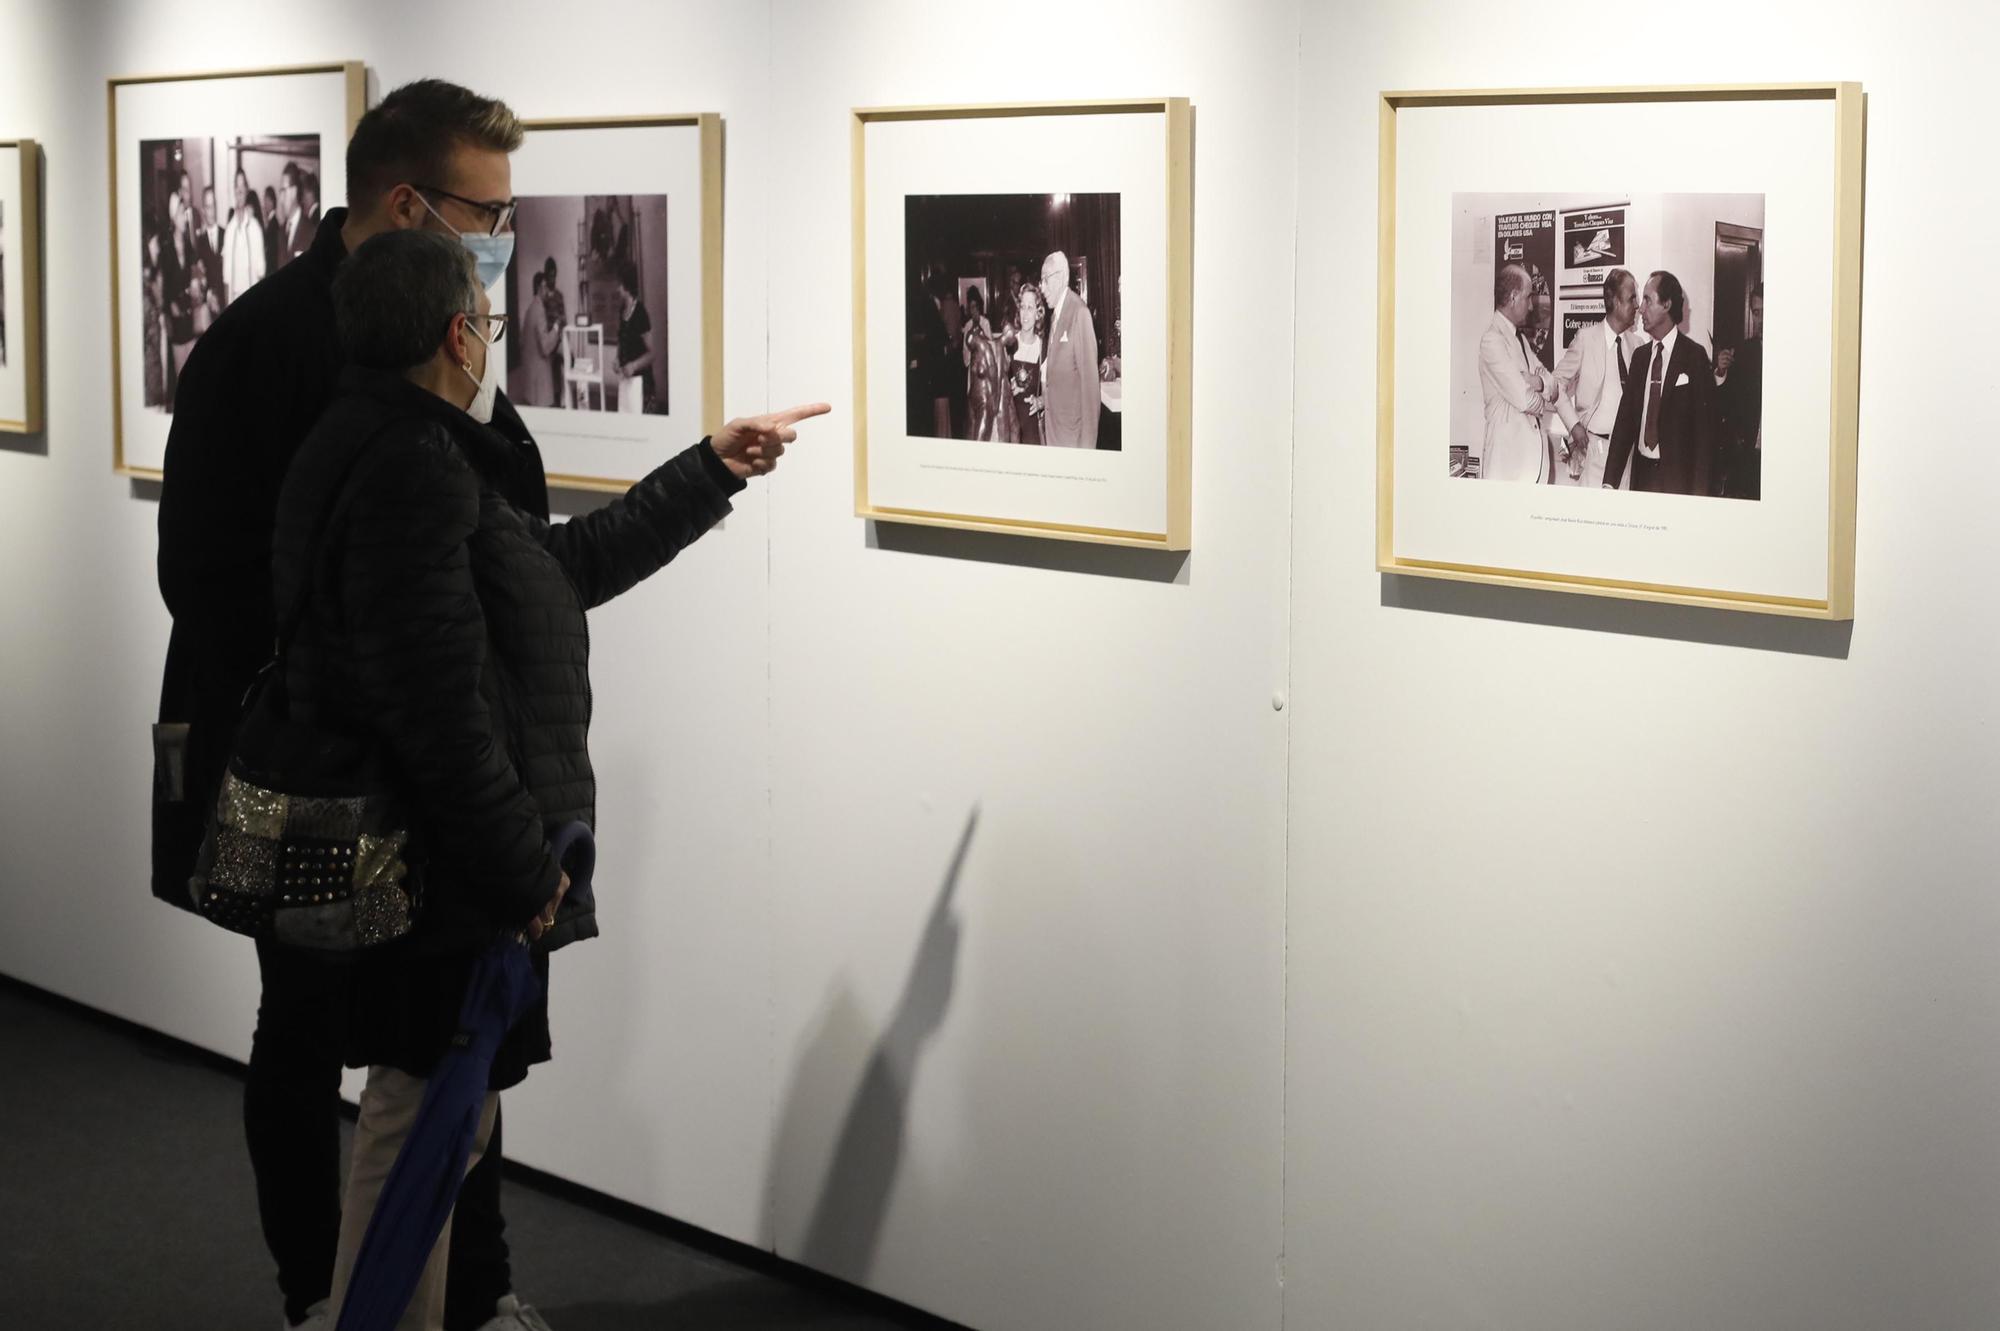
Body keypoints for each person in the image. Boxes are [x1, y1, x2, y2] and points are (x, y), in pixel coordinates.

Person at [282, 226, 822, 1331]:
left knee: (441, 1119)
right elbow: (432, 709)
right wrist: (524, 864)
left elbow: (555, 573)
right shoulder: (409, 468)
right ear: (455, 332)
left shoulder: (404, 445)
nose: (489, 337)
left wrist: (706, 466)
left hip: (441, 857)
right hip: (438, 867)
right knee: (418, 1117)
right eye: (481, 318)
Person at [157, 79, 585, 1331]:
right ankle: (318, 1293)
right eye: (487, 210)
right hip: (309, 766)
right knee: (305, 1031)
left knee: (459, 1020)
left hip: (423, 751)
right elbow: (204, 573)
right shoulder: (263, 346)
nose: (504, 237)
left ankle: (477, 1286)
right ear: (408, 201)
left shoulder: (442, 332)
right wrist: (341, 684)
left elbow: (516, 541)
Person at [1603, 270, 1720, 495]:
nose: (1640, 308)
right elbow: (1624, 425)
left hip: (1678, 485)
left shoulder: (1694, 357)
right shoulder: (1639, 358)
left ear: (1667, 304)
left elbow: (1706, 438)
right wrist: (1609, 482)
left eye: (1647, 300)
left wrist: (1700, 498)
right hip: (1641, 480)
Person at [1550, 268, 1640, 490]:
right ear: (1616, 302)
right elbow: (1555, 385)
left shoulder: (1638, 345)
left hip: (1630, 456)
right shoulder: (1585, 340)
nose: (1637, 305)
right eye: (1632, 298)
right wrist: (1574, 425)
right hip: (1595, 453)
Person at [1477, 262, 1553, 483]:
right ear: (1513, 297)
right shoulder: (1492, 341)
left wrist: (1536, 381)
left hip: (1529, 466)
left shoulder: (1519, 339)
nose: (1531, 306)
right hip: (1508, 466)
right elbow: (1525, 400)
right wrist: (1540, 392)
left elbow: (1551, 384)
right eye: (1528, 297)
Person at [1038, 250, 1099, 448]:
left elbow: (1090, 391)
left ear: (1063, 276)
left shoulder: (1079, 313)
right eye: (1041, 281)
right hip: (1054, 434)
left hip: (1071, 440)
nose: (1042, 288)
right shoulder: (1055, 315)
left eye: (1046, 280)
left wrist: (1087, 451)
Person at [1714, 282, 1763, 499]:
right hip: (1749, 455)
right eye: (1756, 312)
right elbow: (1726, 405)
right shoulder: (1744, 351)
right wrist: (1721, 372)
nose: (1760, 319)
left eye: (1765, 312)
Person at [960, 284, 1005, 440]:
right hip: (973, 376)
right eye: (970, 307)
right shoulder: (966, 327)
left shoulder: (985, 323)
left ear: (979, 307)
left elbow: (991, 348)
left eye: (975, 307)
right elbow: (965, 356)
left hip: (985, 377)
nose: (973, 310)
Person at [1003, 281, 1045, 446]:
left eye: (1030, 308)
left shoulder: (1044, 348)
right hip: (1009, 426)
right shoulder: (1009, 345)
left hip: (1032, 430)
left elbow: (1051, 392)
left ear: (1038, 313)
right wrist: (1007, 389)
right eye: (1022, 307)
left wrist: (1040, 401)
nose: (1025, 314)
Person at [611, 259, 653, 413]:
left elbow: (652, 354)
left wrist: (634, 365)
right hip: (625, 382)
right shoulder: (622, 310)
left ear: (627, 286)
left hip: (640, 385)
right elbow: (621, 341)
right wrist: (617, 358)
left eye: (619, 285)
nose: (617, 289)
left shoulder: (640, 313)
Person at [223, 168, 268, 305]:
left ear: (247, 190)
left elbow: (261, 273)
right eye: (237, 186)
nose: (240, 191)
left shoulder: (255, 229)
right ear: (234, 191)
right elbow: (226, 277)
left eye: (243, 186)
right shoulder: (229, 231)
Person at [518, 271, 558, 407]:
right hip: (539, 377)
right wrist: (556, 329)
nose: (548, 291)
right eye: (546, 287)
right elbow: (545, 347)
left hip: (529, 377)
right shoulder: (540, 310)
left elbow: (522, 341)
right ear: (540, 288)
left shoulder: (530, 308)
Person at [291, 171, 322, 259]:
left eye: (303, 193)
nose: (302, 200)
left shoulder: (314, 220)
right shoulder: (318, 214)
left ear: (310, 193)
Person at [263, 184, 284, 275]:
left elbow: (272, 253)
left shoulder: (274, 224)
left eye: (266, 200)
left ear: (272, 202)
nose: (264, 203)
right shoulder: (271, 222)